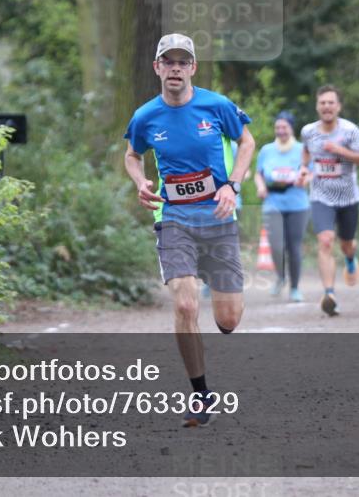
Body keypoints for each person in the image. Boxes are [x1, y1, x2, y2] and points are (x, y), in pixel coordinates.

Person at [124, 33, 255, 428]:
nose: (176, 68)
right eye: (169, 61)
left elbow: (246, 141)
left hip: (217, 216)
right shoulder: (145, 116)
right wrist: (140, 181)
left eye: (183, 62)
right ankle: (201, 395)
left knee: (229, 320)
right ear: (158, 68)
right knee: (184, 305)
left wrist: (232, 184)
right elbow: (132, 154)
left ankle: (223, 309)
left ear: (193, 67)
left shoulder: (216, 106)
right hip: (174, 217)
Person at [298, 85, 359, 317]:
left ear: (338, 106)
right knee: (325, 240)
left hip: (348, 196)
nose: (327, 106)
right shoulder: (309, 131)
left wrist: (340, 151)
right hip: (321, 195)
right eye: (323, 103)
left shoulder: (350, 131)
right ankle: (329, 295)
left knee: (346, 243)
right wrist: (303, 169)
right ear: (317, 106)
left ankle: (351, 257)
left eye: (331, 103)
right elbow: (306, 152)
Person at [254, 111, 310, 302]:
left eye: (284, 127)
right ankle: (280, 277)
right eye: (277, 127)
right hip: (272, 203)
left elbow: (310, 173)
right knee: (276, 246)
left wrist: (304, 179)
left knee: (294, 247)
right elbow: (258, 173)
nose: (280, 131)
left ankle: (294, 288)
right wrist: (261, 187)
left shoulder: (302, 150)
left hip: (297, 203)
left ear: (291, 128)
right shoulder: (267, 150)